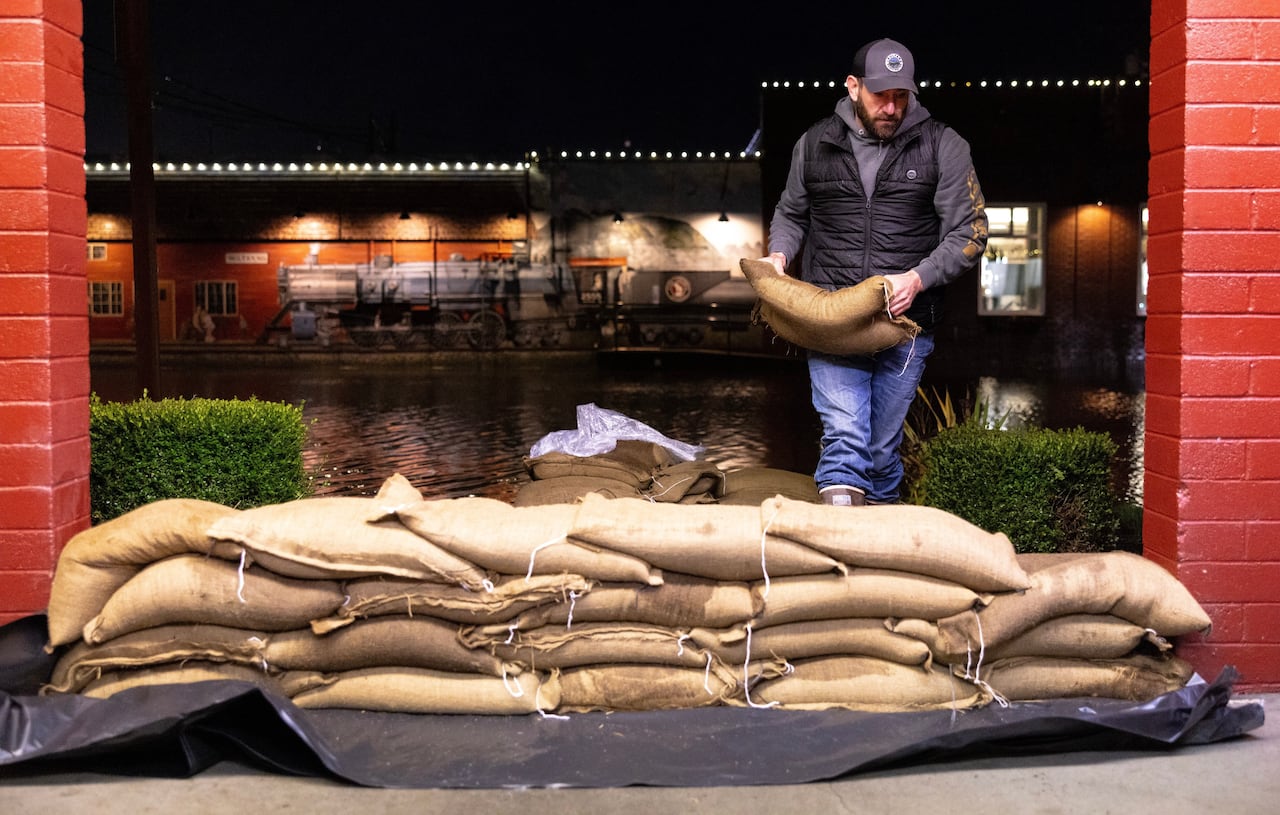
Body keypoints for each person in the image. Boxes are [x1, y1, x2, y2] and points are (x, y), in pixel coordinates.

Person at [761, 37, 988, 506]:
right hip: (833, 319)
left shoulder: (944, 145)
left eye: (900, 96)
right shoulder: (813, 144)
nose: (891, 107)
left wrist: (918, 277)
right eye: (880, 95)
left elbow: (970, 232)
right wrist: (778, 256)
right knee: (846, 439)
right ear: (852, 87)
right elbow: (790, 212)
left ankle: (878, 564)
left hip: (906, 324)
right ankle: (841, 559)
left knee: (882, 452)